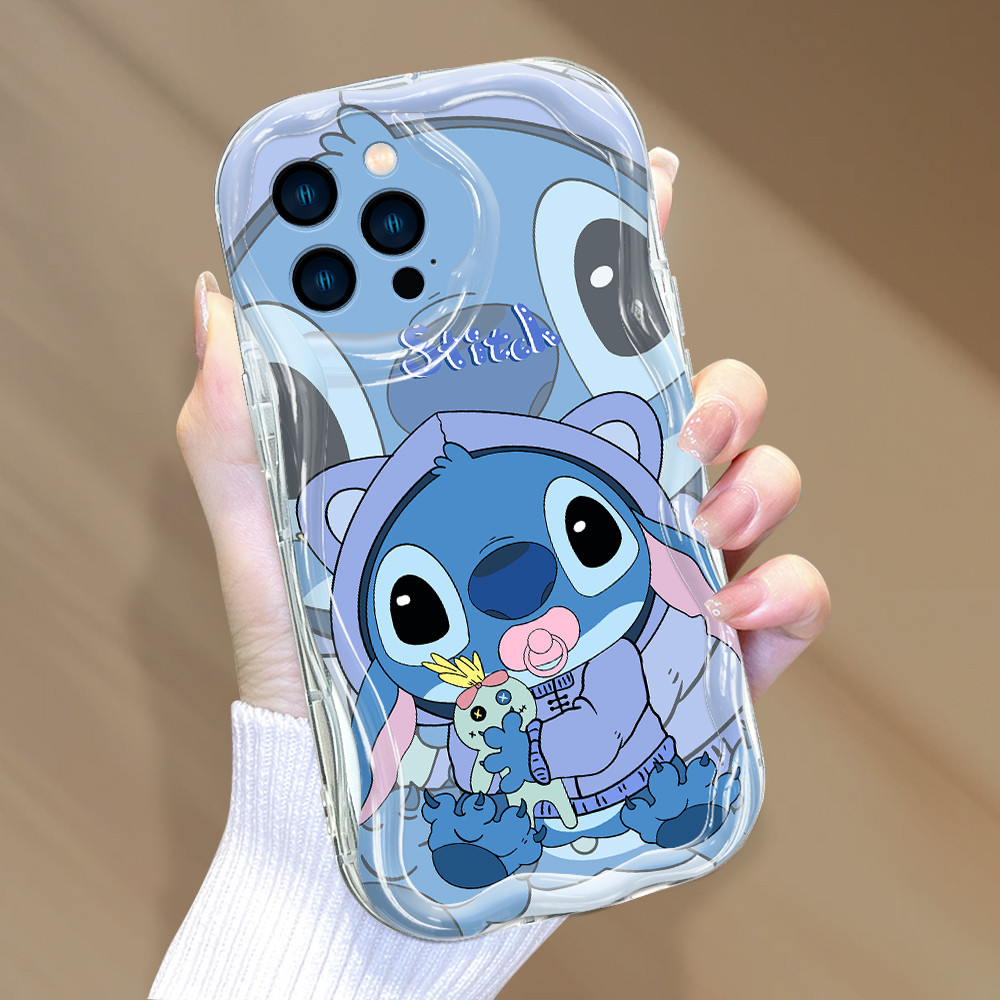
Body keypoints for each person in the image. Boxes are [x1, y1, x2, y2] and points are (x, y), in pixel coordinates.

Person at [151, 149, 830, 999]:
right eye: (419, 605)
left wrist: (527, 746)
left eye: (584, 533)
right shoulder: (432, 705)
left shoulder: (617, 660)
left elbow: (605, 719)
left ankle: (656, 800)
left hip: (615, 769)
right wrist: (327, 839)